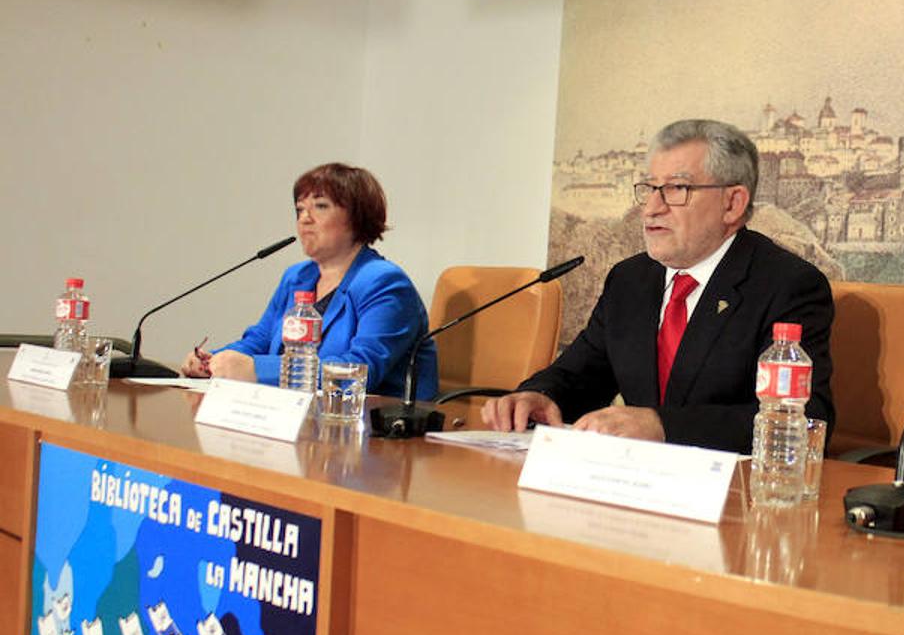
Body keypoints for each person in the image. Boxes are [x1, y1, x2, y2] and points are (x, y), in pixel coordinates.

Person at [482, 118, 833, 453]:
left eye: (676, 189)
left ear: (732, 203)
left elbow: (804, 418)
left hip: (733, 495)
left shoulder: (787, 285)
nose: (650, 209)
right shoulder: (630, 280)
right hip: (633, 486)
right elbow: (582, 373)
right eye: (649, 188)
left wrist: (663, 426)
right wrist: (540, 396)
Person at [181, 162, 438, 400]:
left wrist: (257, 370)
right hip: (293, 413)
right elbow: (259, 340)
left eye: (321, 206)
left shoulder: (384, 283)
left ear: (357, 216)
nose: (305, 218)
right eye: (300, 209)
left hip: (369, 429)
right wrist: (213, 361)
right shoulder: (297, 277)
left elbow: (360, 370)